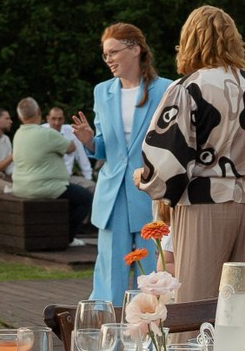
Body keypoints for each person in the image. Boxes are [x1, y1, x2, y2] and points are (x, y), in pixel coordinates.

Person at [137, 6, 245, 304]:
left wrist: (146, 179)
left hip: (205, 201)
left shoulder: (190, 87)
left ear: (189, 41)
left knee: (197, 300)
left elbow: (168, 155)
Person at [71, 22, 175, 306]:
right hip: (112, 191)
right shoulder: (101, 91)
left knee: (154, 266)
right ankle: (107, 326)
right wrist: (90, 141)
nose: (109, 60)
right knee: (110, 270)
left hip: (150, 190)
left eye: (114, 52)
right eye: (105, 55)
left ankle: (153, 323)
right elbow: (106, 149)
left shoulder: (167, 89)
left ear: (136, 49)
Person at [11, 102, 92, 239]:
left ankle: (58, 233)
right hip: (47, 186)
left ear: (20, 117)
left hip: (21, 186)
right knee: (87, 198)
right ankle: (67, 237)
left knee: (73, 198)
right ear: (39, 114)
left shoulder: (18, 133)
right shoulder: (47, 134)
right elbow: (71, 148)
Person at [50, 104, 94, 187]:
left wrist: (89, 179)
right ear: (48, 118)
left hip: (67, 179)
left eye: (60, 119)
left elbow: (82, 157)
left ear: (63, 119)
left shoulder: (71, 131)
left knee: (92, 187)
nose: (56, 122)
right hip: (47, 180)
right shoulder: (41, 131)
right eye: (53, 119)